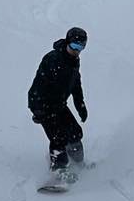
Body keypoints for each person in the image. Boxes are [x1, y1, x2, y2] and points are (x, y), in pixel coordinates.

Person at [27, 26, 88, 175]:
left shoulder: (74, 61)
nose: (76, 51)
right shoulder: (53, 59)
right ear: (67, 42)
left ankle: (78, 163)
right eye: (74, 46)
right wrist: (38, 109)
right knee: (58, 138)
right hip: (43, 105)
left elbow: (76, 84)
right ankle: (58, 172)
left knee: (75, 133)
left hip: (59, 105)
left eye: (81, 47)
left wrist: (80, 105)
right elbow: (38, 85)